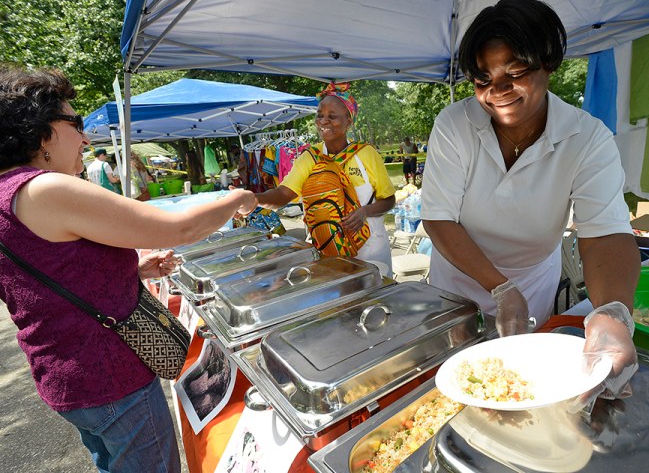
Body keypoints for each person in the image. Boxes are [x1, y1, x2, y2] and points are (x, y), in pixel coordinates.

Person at [0, 65, 258, 472]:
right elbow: (182, 227)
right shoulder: (44, 187)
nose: (85, 138)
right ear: (42, 130)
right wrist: (238, 198)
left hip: (68, 378)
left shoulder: (6, 193)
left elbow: (40, 281)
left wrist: (132, 270)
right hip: (110, 378)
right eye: (75, 122)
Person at [420, 0, 641, 404]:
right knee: (452, 380)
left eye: (515, 73)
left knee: (519, 383)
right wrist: (500, 288)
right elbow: (438, 219)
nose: (496, 92)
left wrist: (611, 313)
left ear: (548, 64)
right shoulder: (455, 124)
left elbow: (605, 231)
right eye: (483, 79)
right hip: (457, 278)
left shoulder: (587, 138)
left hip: (532, 278)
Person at [255, 82, 396, 275]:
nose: (323, 121)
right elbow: (283, 194)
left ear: (349, 121)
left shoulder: (366, 154)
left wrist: (365, 211)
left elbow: (389, 200)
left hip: (369, 249)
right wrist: (254, 199)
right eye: (320, 115)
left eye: (332, 116)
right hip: (328, 251)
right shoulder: (309, 158)